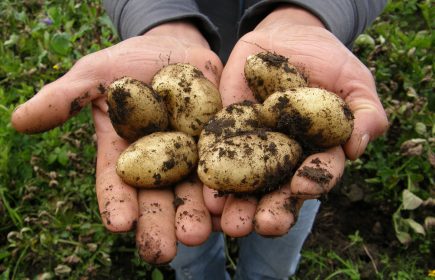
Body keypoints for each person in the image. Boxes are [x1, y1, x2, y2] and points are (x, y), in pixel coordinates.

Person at [11, 0, 389, 279]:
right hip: (179, 56)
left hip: (299, 112)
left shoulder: (273, 113)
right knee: (187, 238)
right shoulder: (192, 126)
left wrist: (306, 14)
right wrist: (160, 20)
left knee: (284, 220)